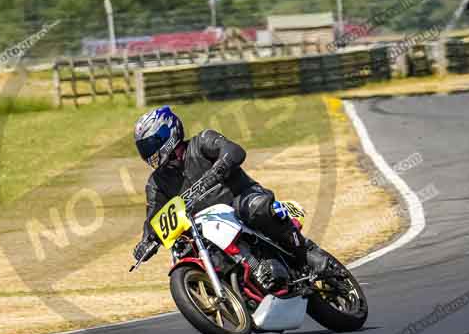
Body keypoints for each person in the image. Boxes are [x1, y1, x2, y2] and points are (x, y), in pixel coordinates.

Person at [132, 105, 326, 272]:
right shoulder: (156, 182)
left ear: (168, 133)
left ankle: (306, 252)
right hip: (204, 225)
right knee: (184, 249)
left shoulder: (201, 142)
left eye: (151, 144)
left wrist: (219, 169)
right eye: (144, 147)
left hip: (239, 198)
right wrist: (146, 241)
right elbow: (154, 216)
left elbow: (234, 150)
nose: (149, 152)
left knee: (255, 208)